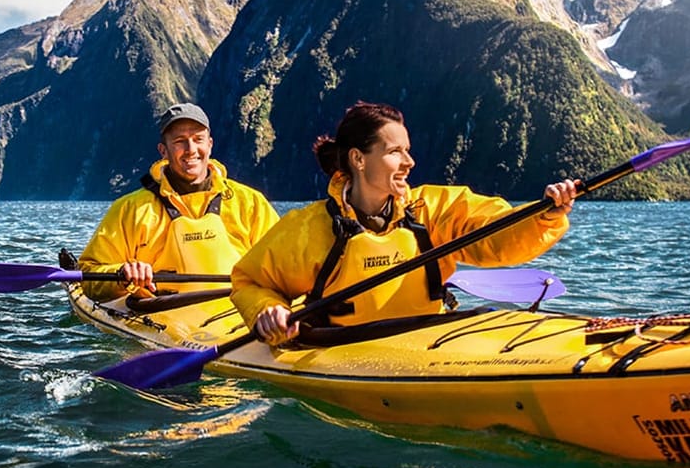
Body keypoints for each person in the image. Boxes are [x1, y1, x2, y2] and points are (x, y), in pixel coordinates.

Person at [231, 101, 578, 346]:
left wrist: (544, 214)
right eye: (395, 151)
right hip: (343, 349)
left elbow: (496, 231)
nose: (409, 162)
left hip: (429, 339)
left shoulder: (430, 209)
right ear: (358, 159)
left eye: (408, 150)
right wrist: (268, 310)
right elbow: (249, 282)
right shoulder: (307, 229)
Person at [77, 103, 280, 302]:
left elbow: (282, 262)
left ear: (210, 144)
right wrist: (122, 273)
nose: (191, 149)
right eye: (180, 141)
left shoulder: (250, 202)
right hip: (163, 313)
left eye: (198, 139)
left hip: (240, 310)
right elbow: (89, 273)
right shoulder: (131, 209)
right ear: (163, 150)